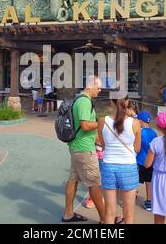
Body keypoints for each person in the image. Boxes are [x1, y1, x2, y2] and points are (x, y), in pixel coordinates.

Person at [62, 76, 105, 223]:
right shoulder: (84, 101)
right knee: (94, 183)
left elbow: (84, 128)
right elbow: (86, 125)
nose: (100, 91)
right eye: (98, 87)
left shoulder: (79, 99)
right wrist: (101, 122)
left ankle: (68, 214)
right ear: (91, 85)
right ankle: (106, 219)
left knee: (73, 179)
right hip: (84, 149)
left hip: (77, 146)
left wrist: (97, 139)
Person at [98, 96, 141, 224]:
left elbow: (103, 145)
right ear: (127, 102)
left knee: (109, 212)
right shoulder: (135, 123)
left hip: (109, 166)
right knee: (128, 214)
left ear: (111, 101)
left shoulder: (102, 121)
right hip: (128, 167)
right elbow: (137, 149)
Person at [136, 111, 157, 211]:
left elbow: (137, 147)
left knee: (135, 182)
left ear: (140, 122)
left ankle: (131, 198)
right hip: (150, 162)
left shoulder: (139, 132)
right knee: (149, 182)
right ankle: (149, 202)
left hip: (139, 161)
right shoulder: (154, 133)